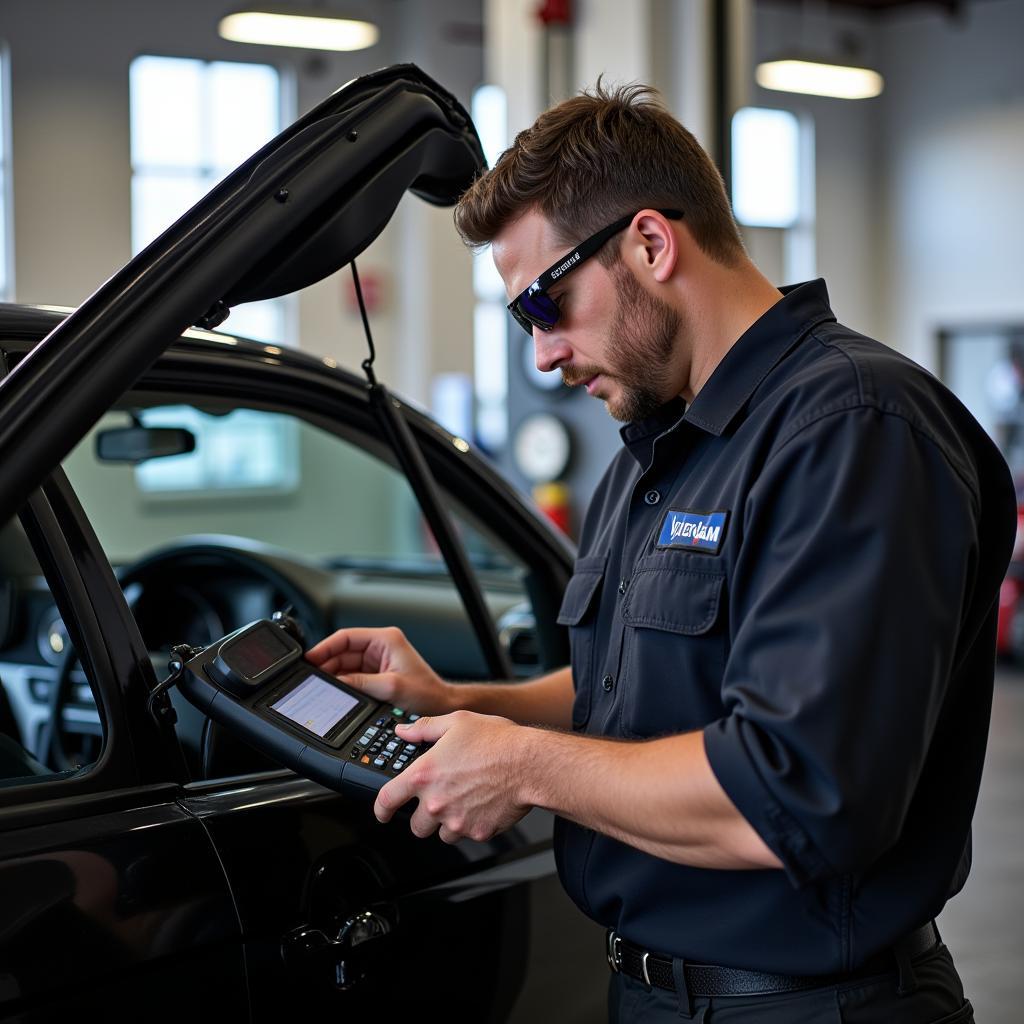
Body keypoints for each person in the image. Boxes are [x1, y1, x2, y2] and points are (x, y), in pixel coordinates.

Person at [307, 82, 1015, 1022]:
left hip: (807, 1006)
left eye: (543, 305)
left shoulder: (852, 429)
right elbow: (640, 687)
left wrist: (521, 766)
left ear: (649, 242)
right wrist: (465, 707)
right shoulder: (660, 454)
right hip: (656, 994)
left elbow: (798, 790)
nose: (542, 356)